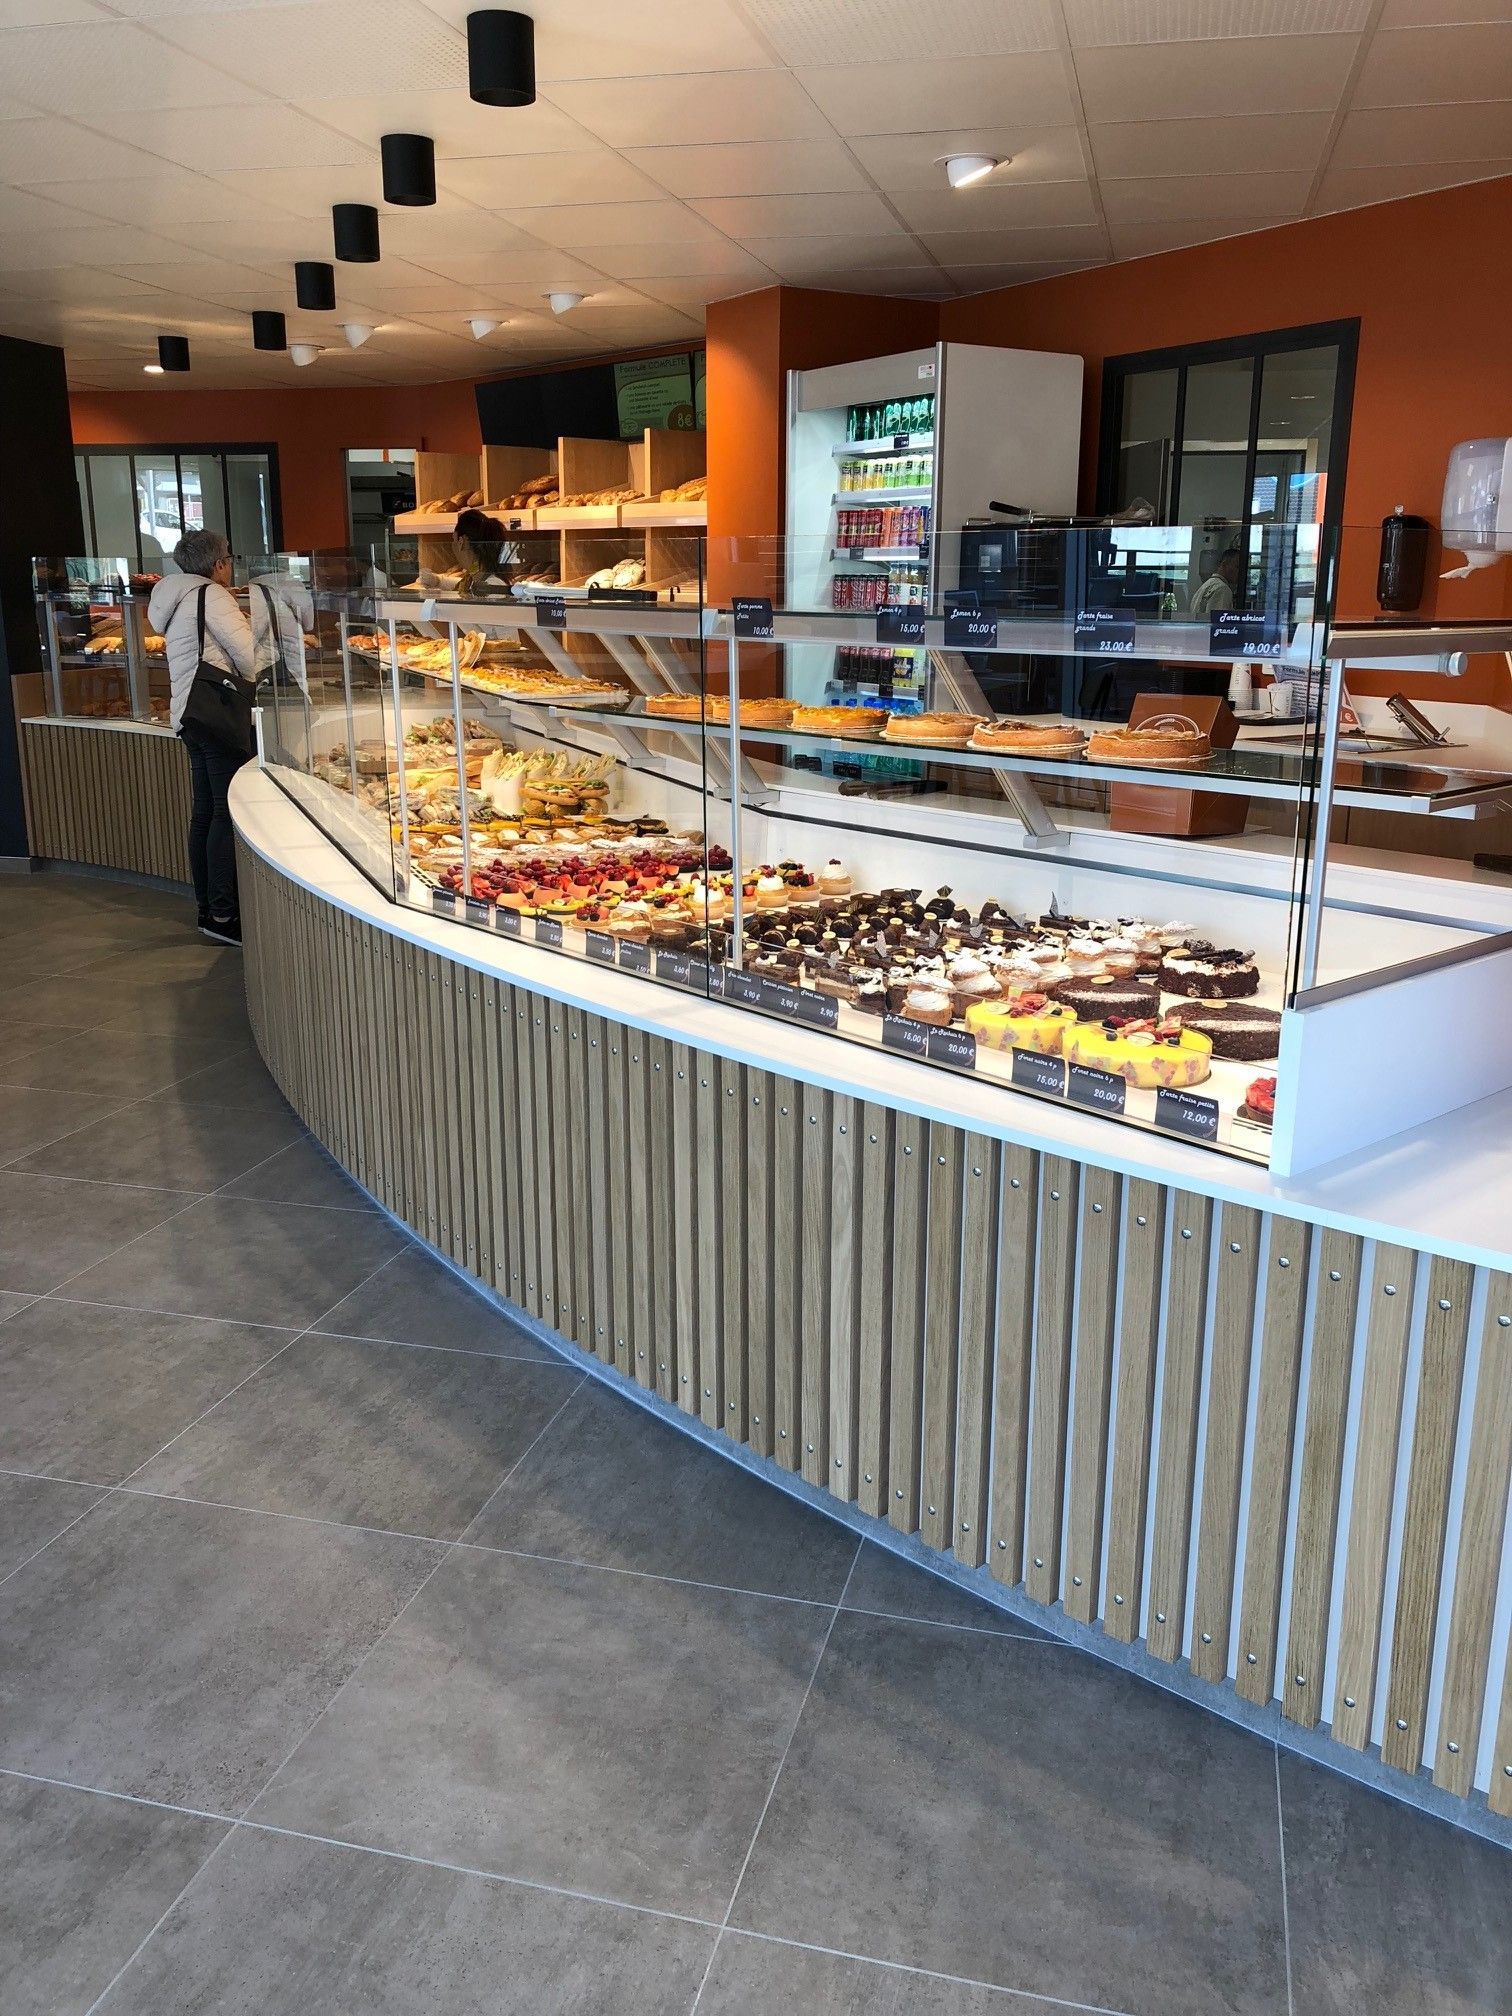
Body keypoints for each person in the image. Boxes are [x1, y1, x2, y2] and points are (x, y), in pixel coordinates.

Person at [148, 530, 255, 947]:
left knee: (206, 812)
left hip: (189, 714)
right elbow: (248, 657)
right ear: (218, 564)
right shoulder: (212, 595)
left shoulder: (169, 595)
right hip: (216, 715)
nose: (229, 564)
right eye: (228, 557)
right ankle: (224, 915)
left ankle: (207, 909)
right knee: (224, 814)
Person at [452, 508, 514, 597]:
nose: (453, 546)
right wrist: (437, 580)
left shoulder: (492, 588)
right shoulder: (474, 574)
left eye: (454, 540)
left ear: (461, 542)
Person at [1190, 544, 1242, 617]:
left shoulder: (1206, 585)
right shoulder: (1222, 589)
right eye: (1237, 566)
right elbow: (1219, 622)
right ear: (1224, 565)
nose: (1240, 572)